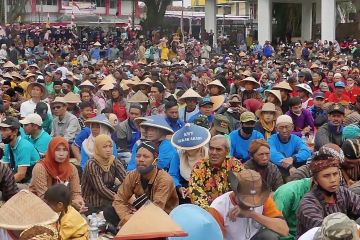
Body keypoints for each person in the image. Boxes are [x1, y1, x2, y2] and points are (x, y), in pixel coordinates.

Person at [104, 141, 179, 227]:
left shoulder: (165, 180)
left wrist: (135, 218)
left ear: (155, 161)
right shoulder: (133, 175)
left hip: (161, 217)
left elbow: (156, 210)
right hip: (139, 213)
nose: (141, 159)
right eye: (138, 156)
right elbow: (119, 200)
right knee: (109, 211)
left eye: (146, 157)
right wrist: (128, 217)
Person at [209, 169, 289, 240]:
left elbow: (284, 230)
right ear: (235, 192)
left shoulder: (263, 199)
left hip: (255, 237)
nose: (251, 205)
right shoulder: (218, 208)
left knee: (269, 236)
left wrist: (251, 214)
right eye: (247, 201)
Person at [297, 153, 360, 237]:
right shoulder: (308, 203)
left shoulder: (343, 192)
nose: (333, 180)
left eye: (335, 174)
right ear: (315, 180)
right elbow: (326, 231)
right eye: (326, 176)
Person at [29, 136, 86, 213]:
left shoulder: (71, 169)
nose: (61, 154)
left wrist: (79, 201)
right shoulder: (40, 167)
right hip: (39, 206)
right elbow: (43, 197)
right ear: (51, 151)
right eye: (57, 150)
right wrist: (70, 203)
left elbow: (75, 192)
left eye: (65, 150)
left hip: (63, 205)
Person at [189, 135, 243, 210]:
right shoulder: (199, 166)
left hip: (232, 210)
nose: (214, 153)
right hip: (208, 211)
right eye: (211, 149)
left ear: (227, 151)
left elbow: (243, 189)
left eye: (218, 149)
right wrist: (213, 212)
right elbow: (195, 193)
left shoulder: (235, 164)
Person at [81, 134, 126, 214]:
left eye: (110, 146)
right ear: (98, 148)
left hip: (109, 195)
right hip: (94, 200)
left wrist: (131, 193)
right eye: (104, 147)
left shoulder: (113, 160)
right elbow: (100, 188)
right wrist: (119, 198)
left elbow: (125, 179)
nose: (108, 150)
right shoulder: (92, 164)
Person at [171, 123, 211, 203]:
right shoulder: (179, 154)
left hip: (204, 188)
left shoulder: (208, 154)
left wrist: (194, 188)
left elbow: (212, 177)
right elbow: (172, 174)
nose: (190, 149)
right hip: (184, 188)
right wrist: (179, 187)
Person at [0, 117, 40, 184]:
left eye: (5, 130)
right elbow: (4, 167)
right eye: (1, 130)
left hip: (30, 183)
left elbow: (21, 175)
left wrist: (4, 184)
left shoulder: (24, 147)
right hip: (19, 179)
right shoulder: (8, 144)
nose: (1, 133)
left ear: (15, 132)